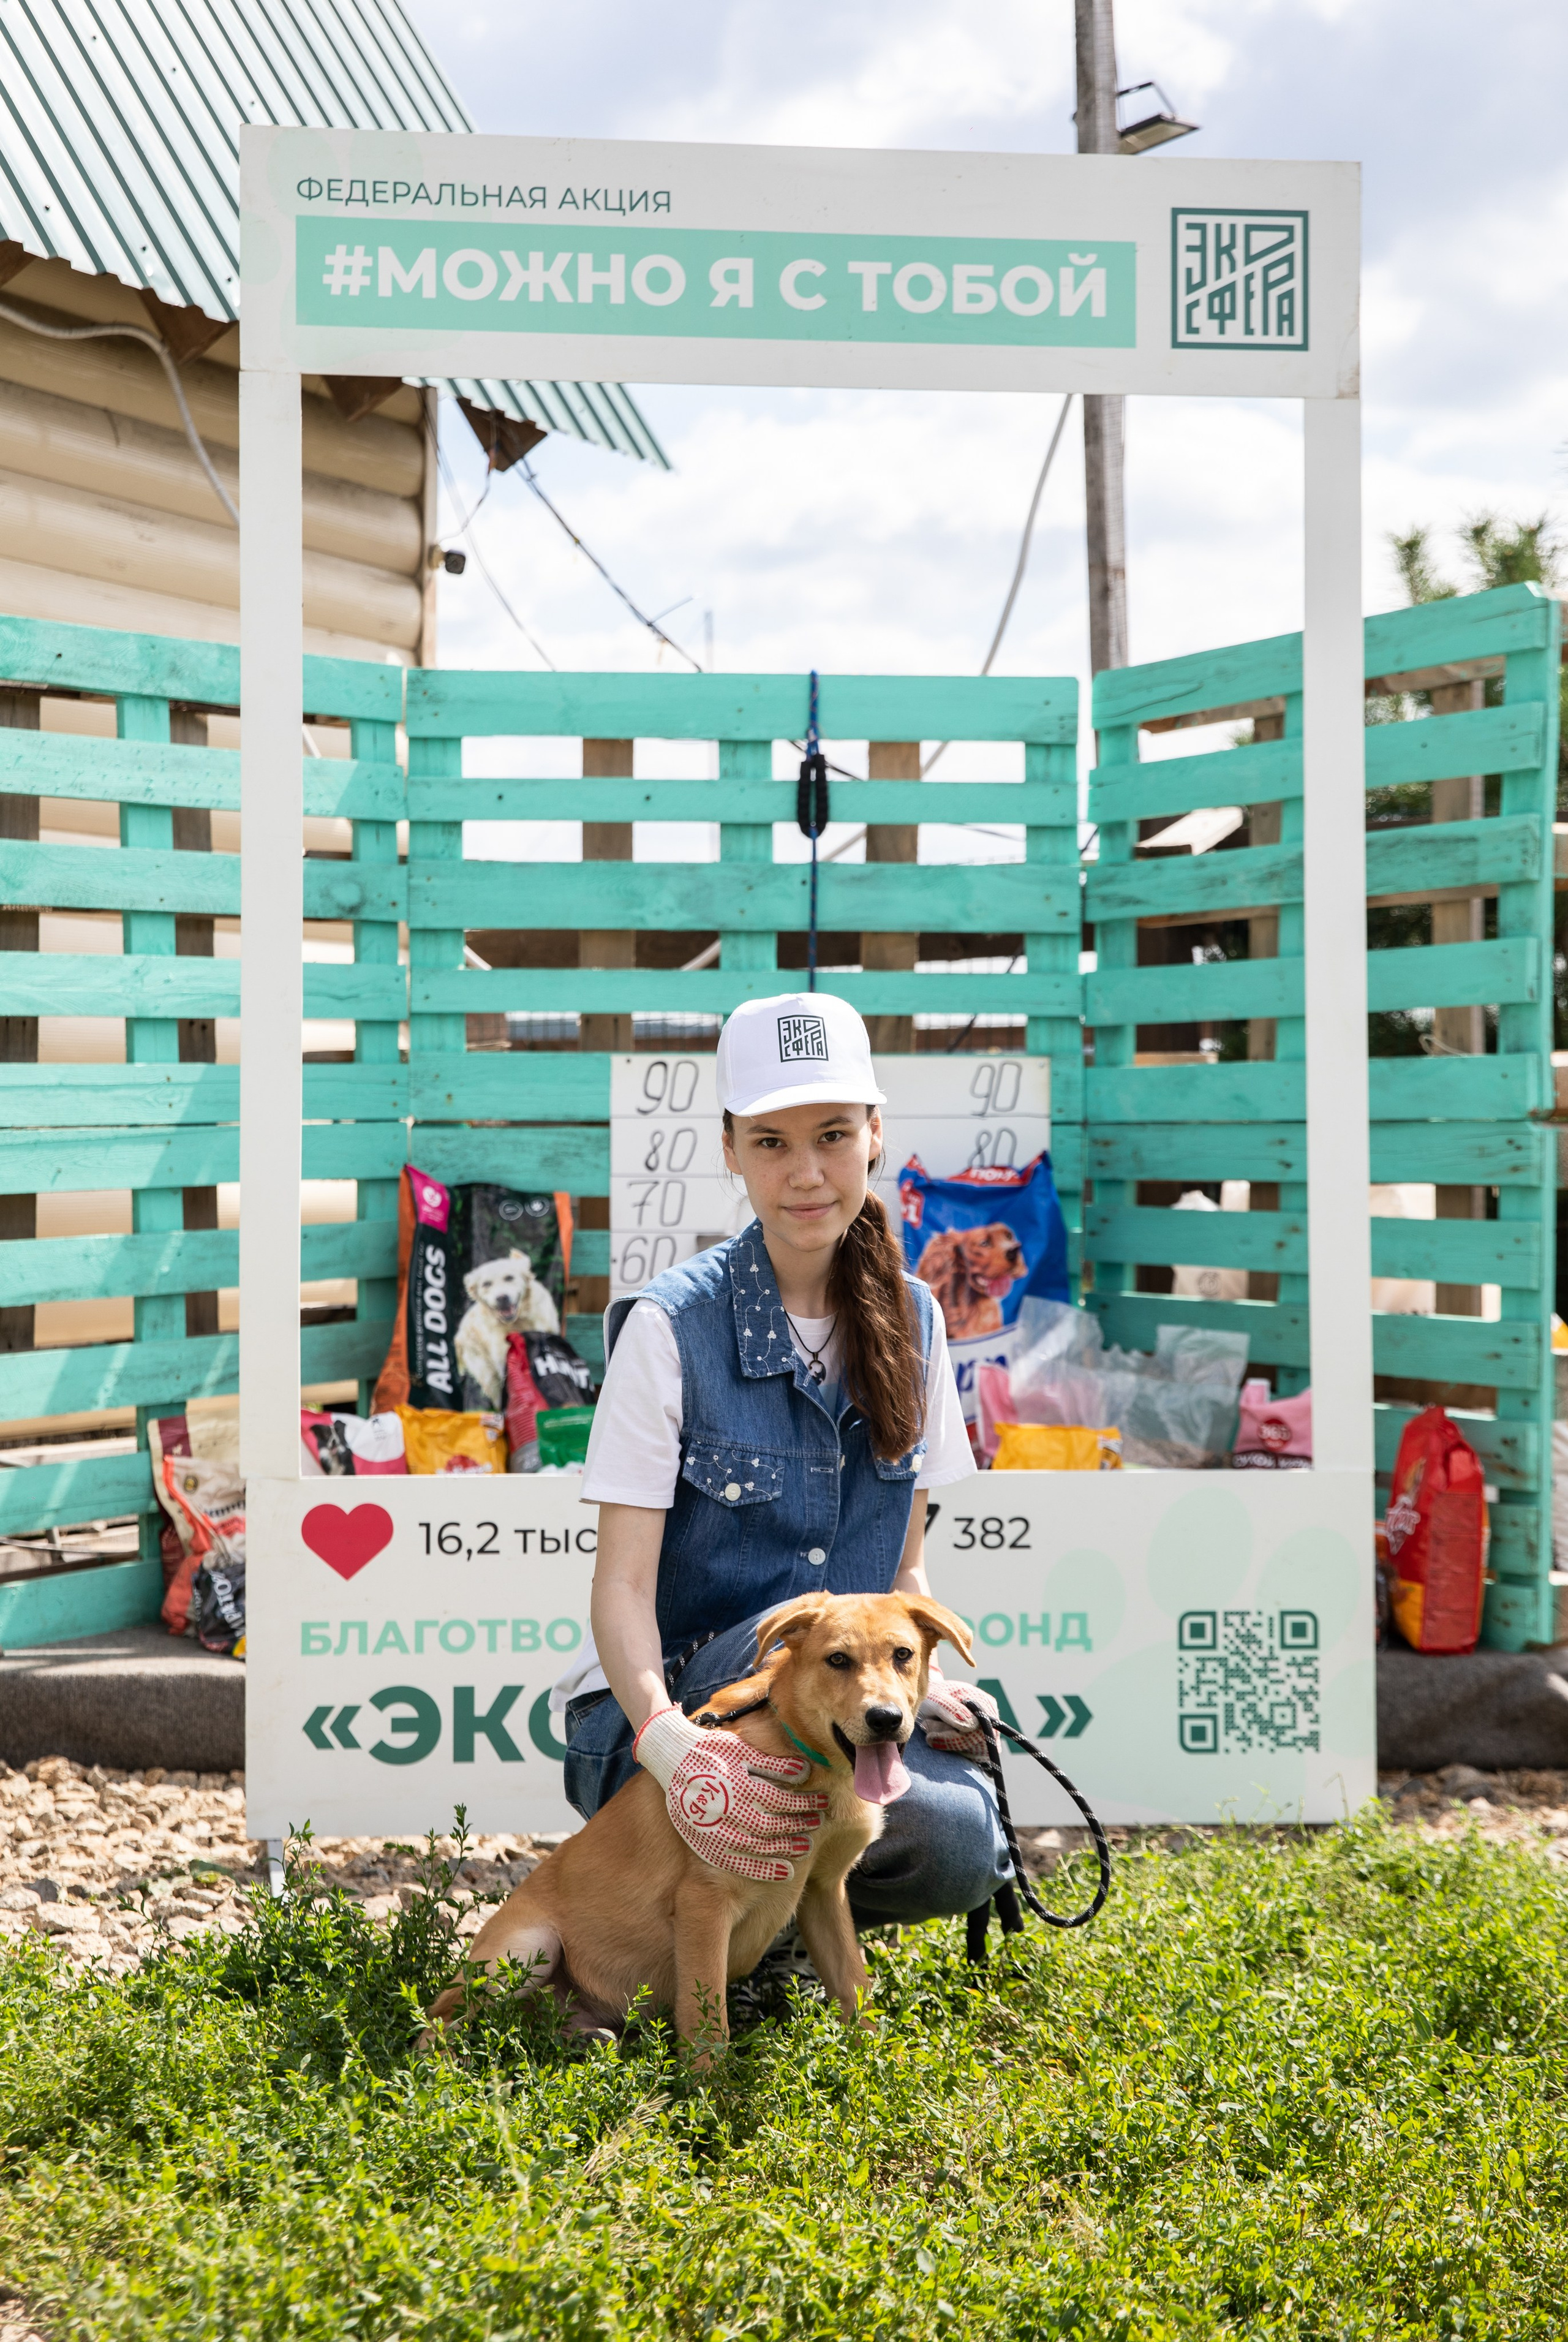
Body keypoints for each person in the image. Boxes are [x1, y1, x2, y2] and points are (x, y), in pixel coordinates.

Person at [554, 991, 1009, 1975]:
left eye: (833, 1135)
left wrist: (924, 1687)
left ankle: (765, 1946)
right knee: (784, 1650)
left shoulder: (918, 1322)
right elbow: (622, 1587)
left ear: (876, 1134)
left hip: (831, 1714)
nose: (806, 1173)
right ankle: (728, 1945)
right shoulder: (669, 1327)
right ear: (730, 1149)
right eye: (771, 1143)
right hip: (659, 1717)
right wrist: (666, 1742)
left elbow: (904, 1574)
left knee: (962, 1843)